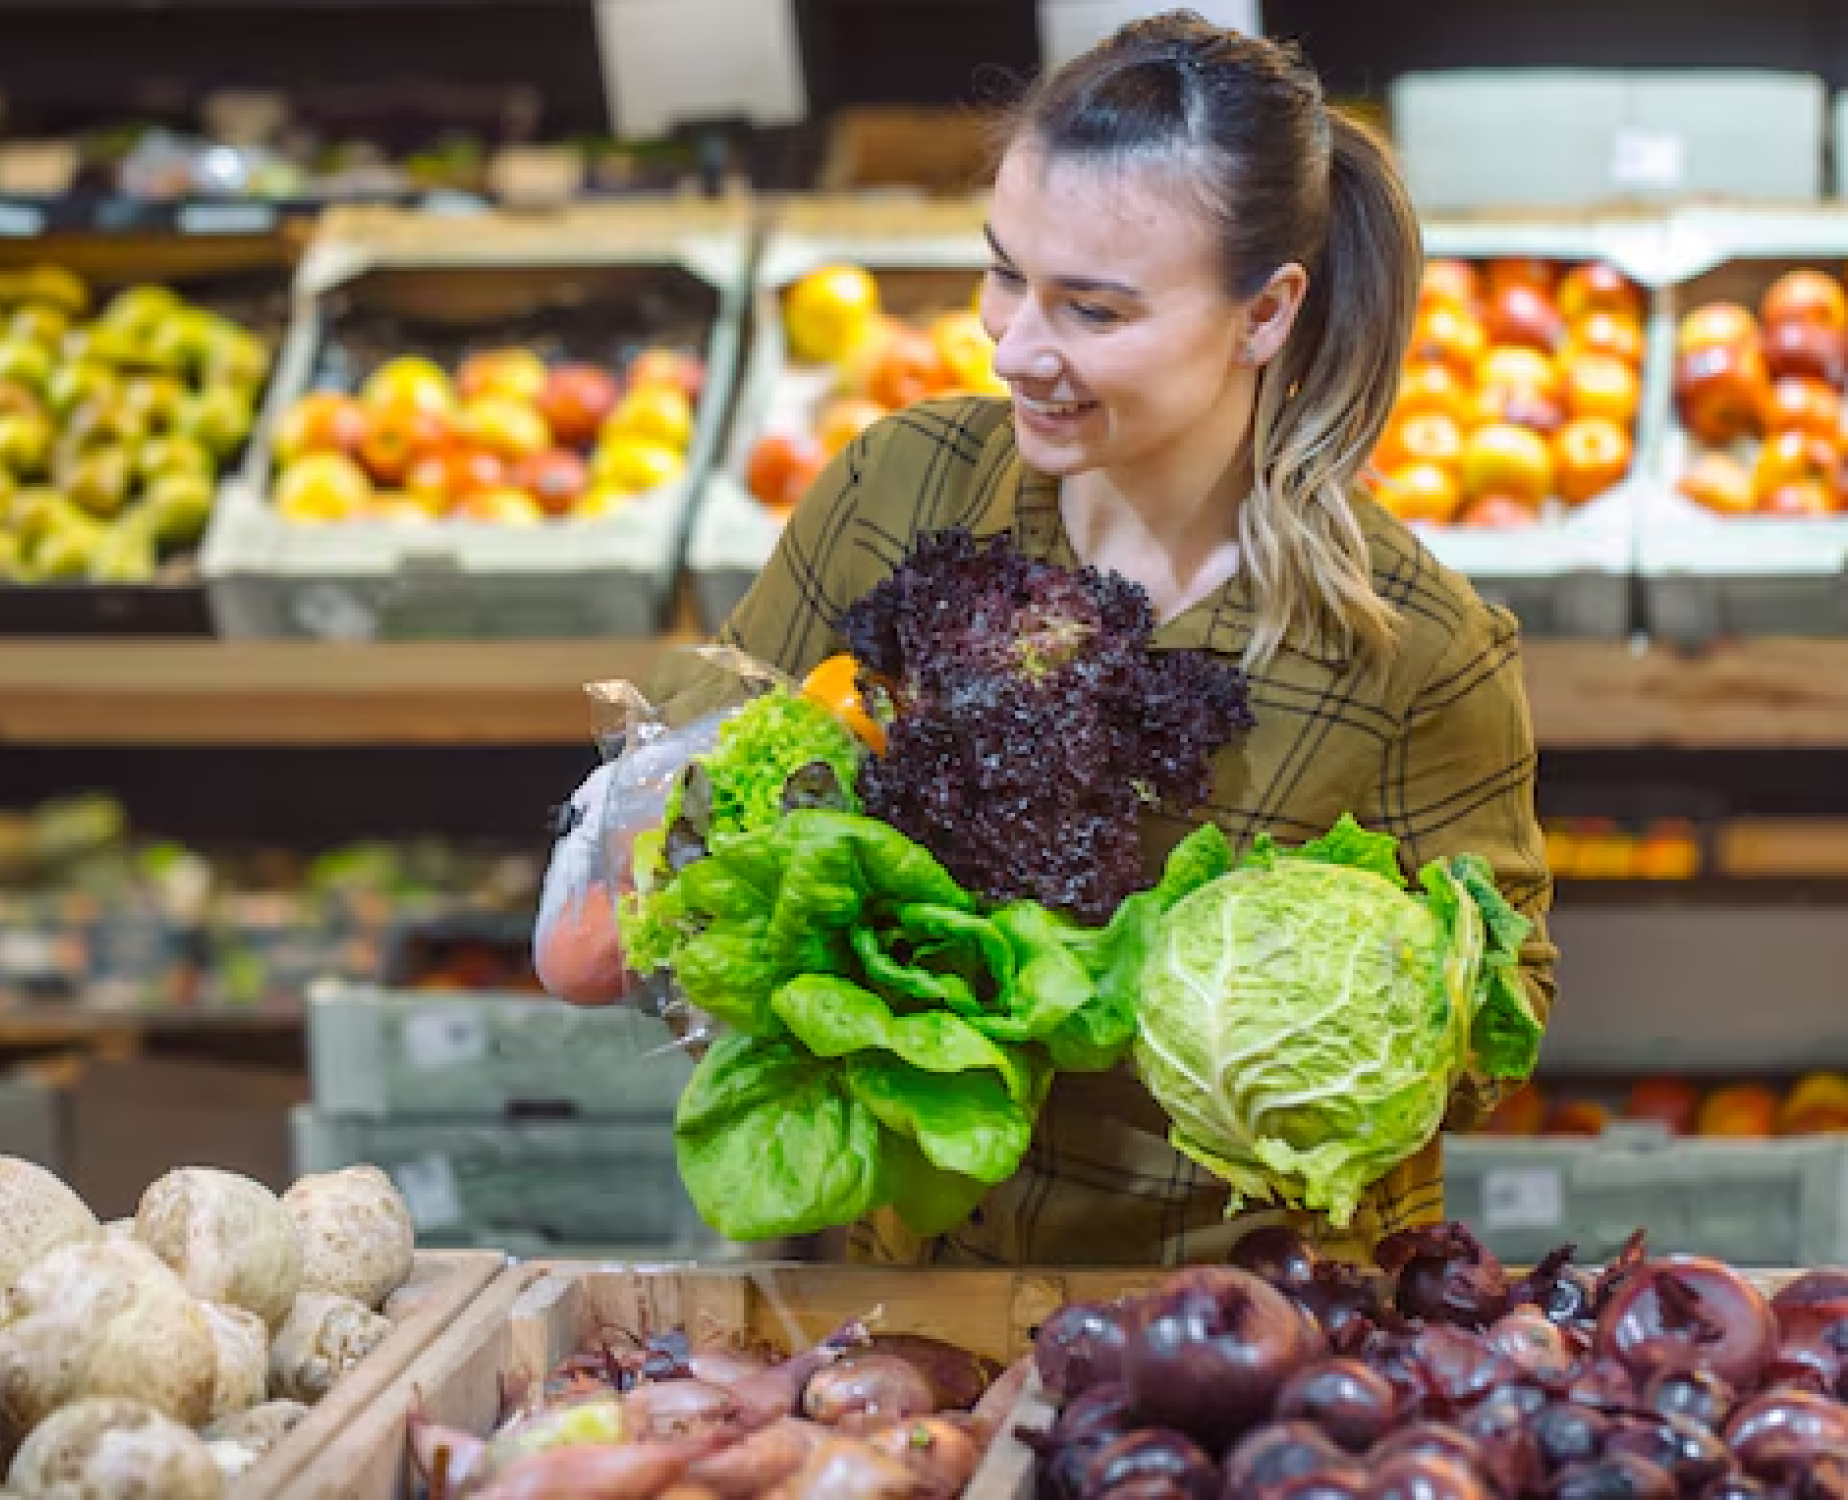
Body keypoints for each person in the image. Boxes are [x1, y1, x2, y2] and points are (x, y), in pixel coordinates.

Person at [542, 8, 1556, 1267]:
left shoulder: (1413, 650)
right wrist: (678, 820)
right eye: (1005, 272)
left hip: (1243, 1332)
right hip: (906, 1299)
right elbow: (684, 801)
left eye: (1091, 310)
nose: (1017, 346)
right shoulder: (899, 488)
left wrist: (1279, 1004)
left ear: (1263, 312)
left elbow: (1498, 1020)